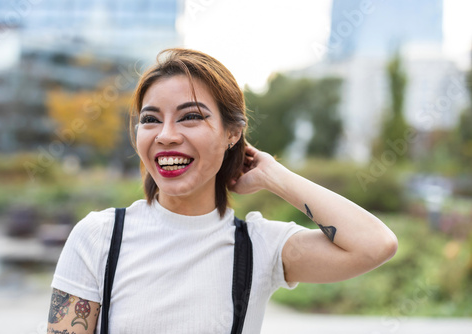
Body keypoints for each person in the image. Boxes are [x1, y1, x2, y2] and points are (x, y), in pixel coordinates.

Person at [47, 48, 398, 334]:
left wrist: (274, 175)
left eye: (191, 117)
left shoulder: (260, 247)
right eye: (151, 119)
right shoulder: (100, 237)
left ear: (232, 133)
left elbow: (376, 245)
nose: (166, 135)